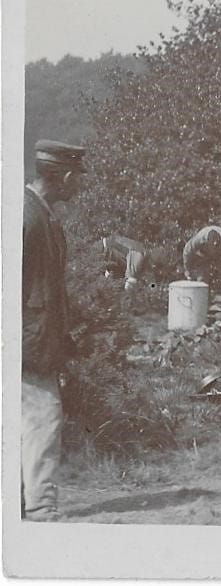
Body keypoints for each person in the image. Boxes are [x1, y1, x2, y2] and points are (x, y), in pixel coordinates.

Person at [22, 139, 86, 521]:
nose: (78, 185)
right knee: (44, 417)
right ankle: (41, 509)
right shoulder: (27, 218)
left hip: (36, 338)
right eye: (76, 177)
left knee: (26, 420)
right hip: (28, 341)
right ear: (62, 177)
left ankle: (23, 503)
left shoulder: (42, 215)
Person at [183, 225, 221, 296]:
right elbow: (187, 252)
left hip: (219, 257)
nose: (214, 248)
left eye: (217, 246)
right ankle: (202, 300)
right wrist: (187, 270)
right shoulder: (198, 239)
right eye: (212, 246)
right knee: (202, 280)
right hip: (203, 256)